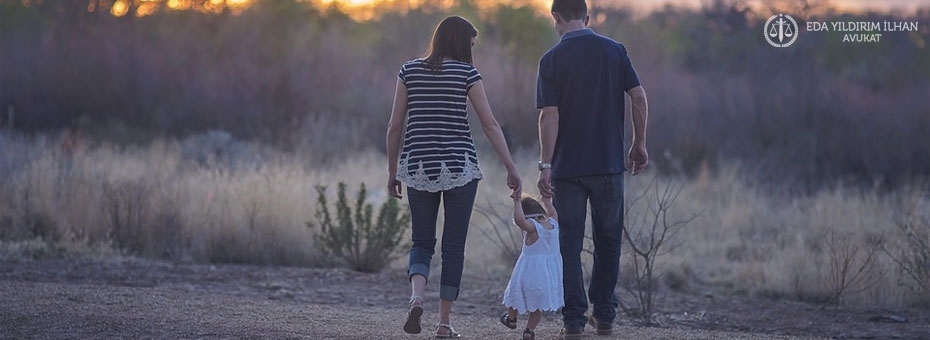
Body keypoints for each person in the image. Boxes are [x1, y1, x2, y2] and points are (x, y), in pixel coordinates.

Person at [386, 15, 521, 339]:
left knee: (421, 241)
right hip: (460, 168)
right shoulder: (467, 73)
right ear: (461, 43)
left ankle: (417, 297)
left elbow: (394, 126)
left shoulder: (409, 71)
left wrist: (393, 172)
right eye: (471, 44)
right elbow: (490, 125)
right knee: (453, 247)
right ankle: (444, 323)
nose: (472, 51)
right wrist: (511, 167)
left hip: (418, 167)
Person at [535, 0, 649, 339]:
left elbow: (548, 116)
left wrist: (545, 165)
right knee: (609, 241)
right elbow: (639, 97)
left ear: (555, 17)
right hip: (609, 165)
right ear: (587, 17)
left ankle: (573, 322)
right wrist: (639, 143)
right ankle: (605, 315)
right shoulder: (615, 51)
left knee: (569, 245)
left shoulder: (551, 59)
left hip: (568, 169)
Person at [499, 193, 563, 340]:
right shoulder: (553, 223)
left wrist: (516, 202)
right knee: (537, 306)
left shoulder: (533, 228)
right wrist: (547, 200)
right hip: (547, 276)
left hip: (529, 272)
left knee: (515, 295)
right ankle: (529, 330)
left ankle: (511, 318)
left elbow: (519, 220)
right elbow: (552, 212)